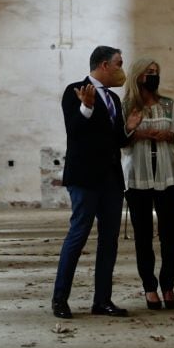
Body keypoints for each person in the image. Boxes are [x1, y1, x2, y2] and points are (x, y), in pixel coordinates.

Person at [52, 46, 142, 319]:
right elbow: (75, 131)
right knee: (78, 236)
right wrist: (86, 108)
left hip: (111, 180)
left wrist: (130, 128)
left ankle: (102, 300)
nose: (121, 68)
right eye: (119, 63)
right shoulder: (74, 90)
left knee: (109, 241)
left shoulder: (114, 100)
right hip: (84, 178)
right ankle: (60, 299)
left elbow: (118, 142)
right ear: (104, 65)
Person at [121, 58, 174, 311]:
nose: (153, 76)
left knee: (170, 235)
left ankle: (168, 285)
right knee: (143, 236)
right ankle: (149, 287)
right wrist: (132, 130)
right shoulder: (126, 106)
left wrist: (170, 135)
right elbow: (120, 141)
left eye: (156, 72)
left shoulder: (169, 105)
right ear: (138, 76)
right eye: (149, 72)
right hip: (138, 177)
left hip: (167, 176)